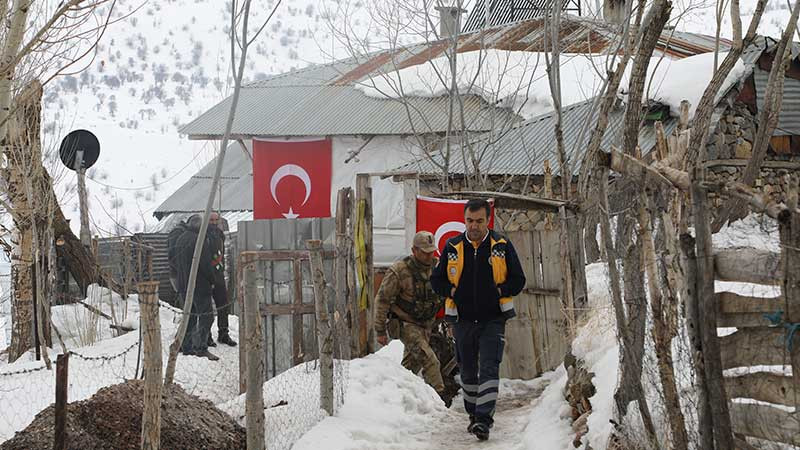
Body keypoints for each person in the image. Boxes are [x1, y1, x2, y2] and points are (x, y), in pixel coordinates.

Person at [430, 199, 526, 441]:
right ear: (465, 220)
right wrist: (451, 292)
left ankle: (484, 419)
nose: (474, 226)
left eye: (479, 221)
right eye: (470, 221)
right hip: (462, 320)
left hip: (493, 319)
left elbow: (519, 280)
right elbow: (436, 281)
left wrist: (499, 291)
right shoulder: (453, 246)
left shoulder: (501, 245)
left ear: (488, 220)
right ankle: (473, 414)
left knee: (490, 368)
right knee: (469, 372)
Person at [374, 231, 447, 403]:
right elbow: (382, 299)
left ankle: (395, 399)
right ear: (414, 250)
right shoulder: (400, 271)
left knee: (410, 367)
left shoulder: (437, 268)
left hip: (427, 324)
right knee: (430, 361)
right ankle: (439, 400)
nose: (429, 256)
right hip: (406, 324)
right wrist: (380, 330)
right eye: (424, 252)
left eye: (431, 251)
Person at [175, 214, 220, 361]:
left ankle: (186, 346)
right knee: (207, 317)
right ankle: (201, 347)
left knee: (190, 316)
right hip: (200, 285)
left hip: (184, 285)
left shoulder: (180, 238)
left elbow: (174, 262)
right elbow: (206, 264)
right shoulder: (199, 240)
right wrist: (213, 279)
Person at [207, 212, 237, 347]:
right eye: (211, 220)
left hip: (218, 274)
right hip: (207, 276)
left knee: (223, 305)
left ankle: (223, 333)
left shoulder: (220, 234)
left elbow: (221, 253)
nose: (213, 222)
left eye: (215, 220)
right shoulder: (202, 235)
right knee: (206, 308)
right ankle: (206, 335)